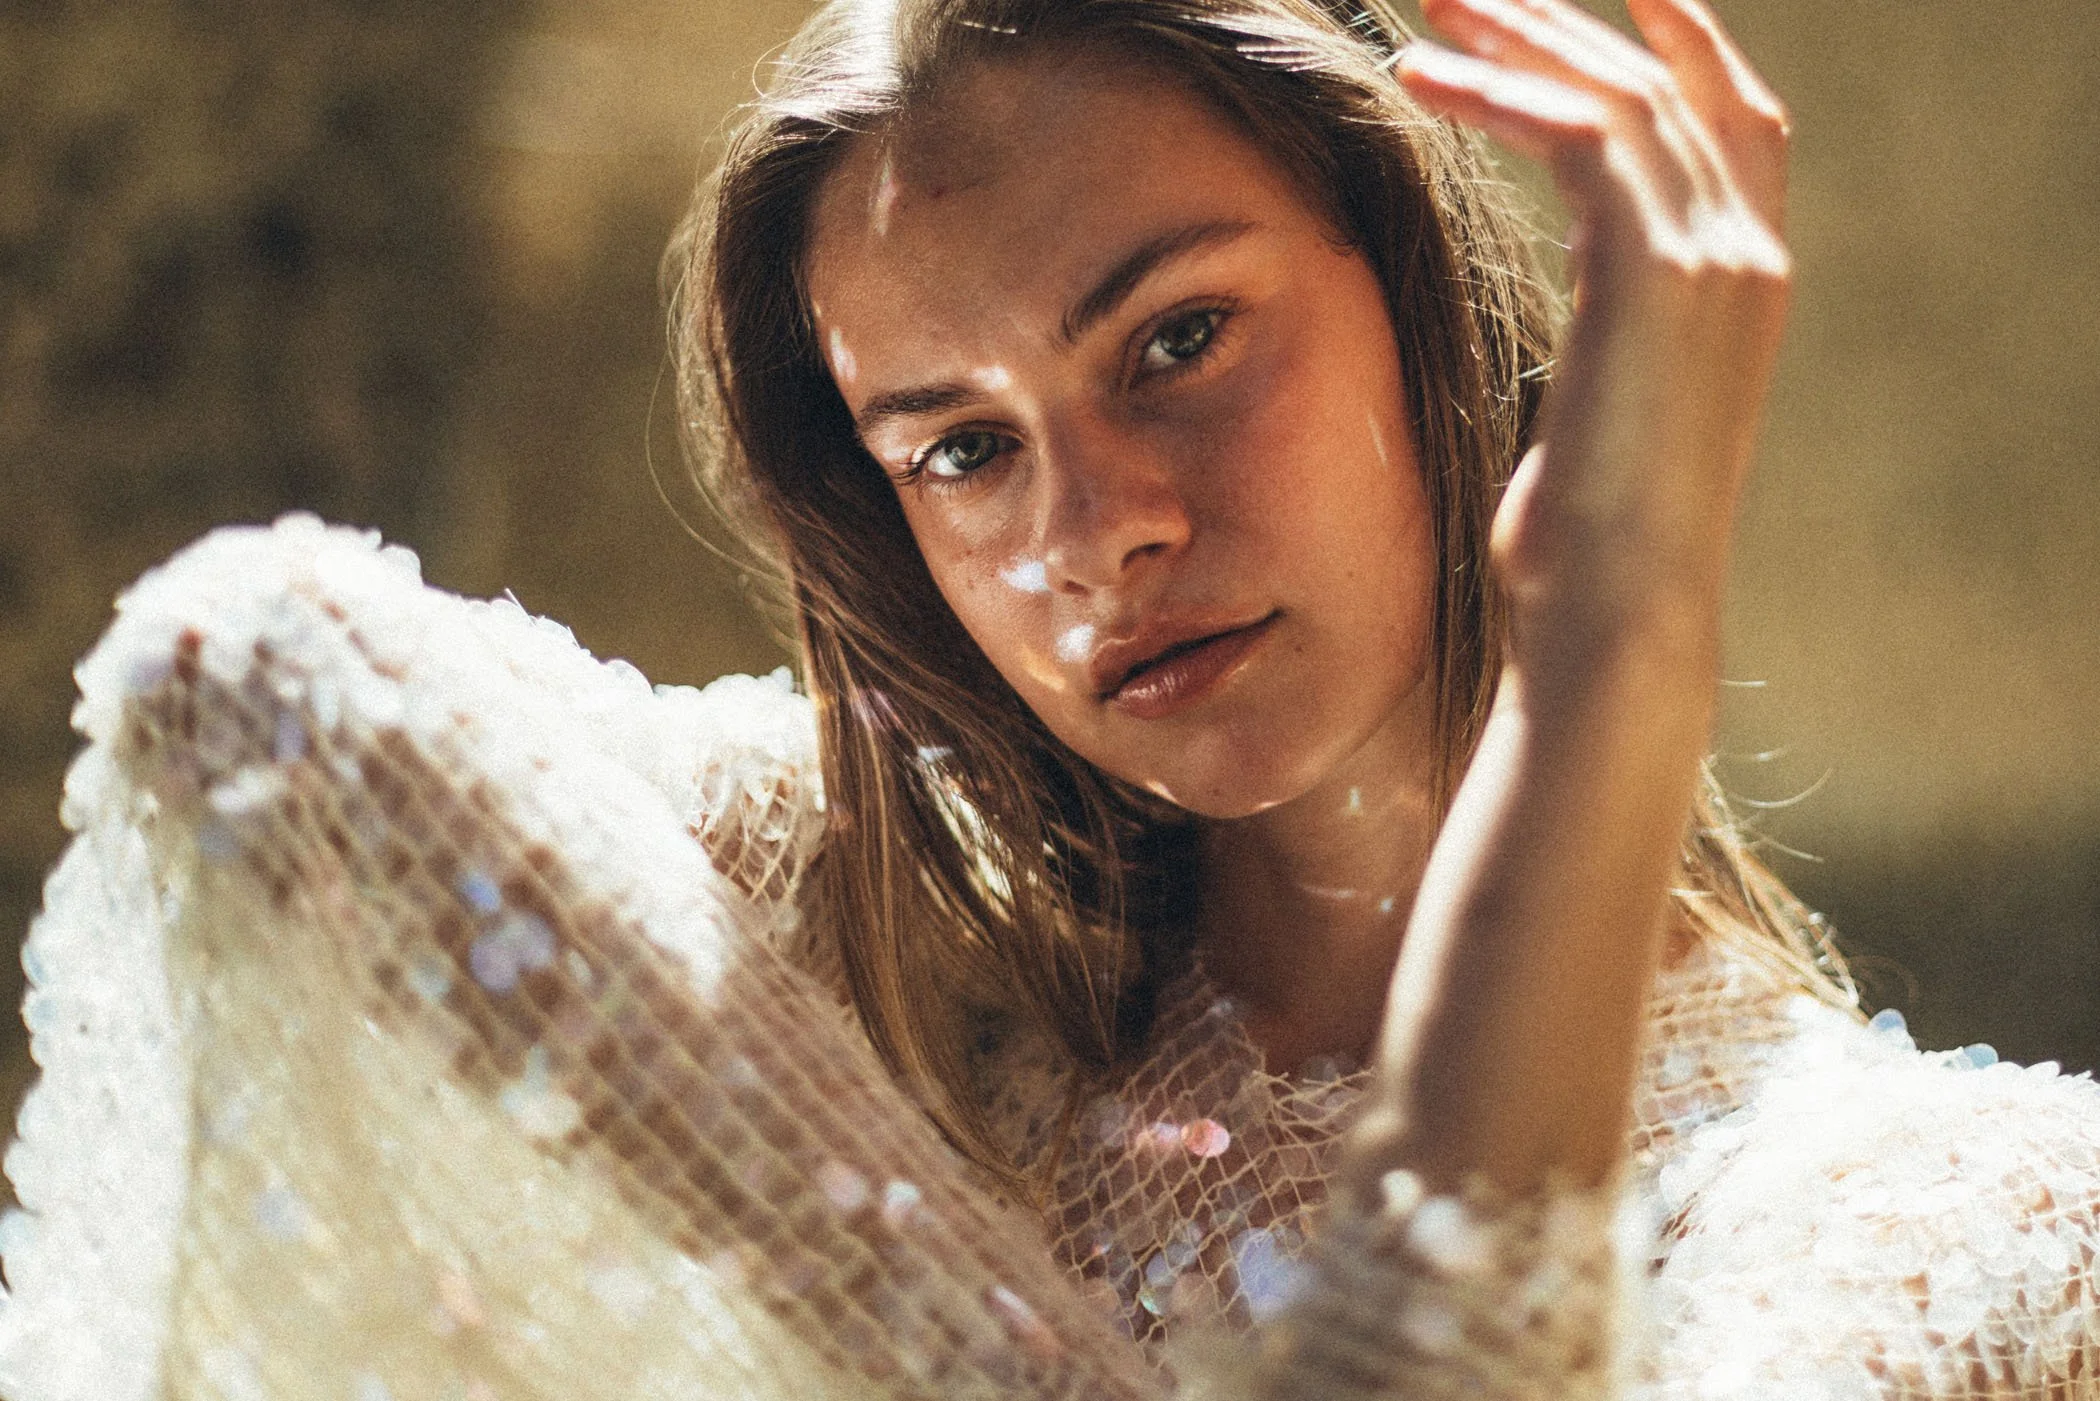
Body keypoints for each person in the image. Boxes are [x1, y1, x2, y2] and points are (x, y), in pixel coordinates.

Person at [6, 0, 2099, 1397]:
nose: (1091, 533)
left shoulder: (1961, 1226)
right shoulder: (888, 977)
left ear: (1424, 298)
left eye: (1176, 340)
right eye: (961, 448)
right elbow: (252, 688)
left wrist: (1615, 628)